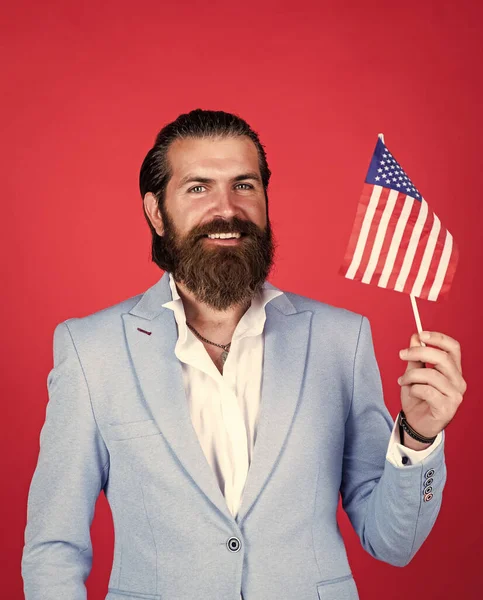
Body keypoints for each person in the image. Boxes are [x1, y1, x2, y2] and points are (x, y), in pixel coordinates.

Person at [21, 109, 466, 600]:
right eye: (198, 188)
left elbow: (392, 542)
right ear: (155, 212)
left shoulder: (342, 339)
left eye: (244, 185)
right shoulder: (91, 350)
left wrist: (419, 437)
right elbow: (54, 546)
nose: (226, 208)